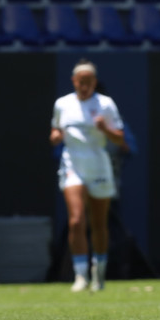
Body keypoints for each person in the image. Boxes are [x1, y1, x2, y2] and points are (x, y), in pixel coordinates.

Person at [50, 59, 125, 292]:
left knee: (99, 223)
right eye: (81, 81)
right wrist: (55, 136)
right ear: (74, 81)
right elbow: (56, 129)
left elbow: (120, 139)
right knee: (76, 220)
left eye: (89, 81)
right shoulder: (62, 104)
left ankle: (98, 272)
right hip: (73, 164)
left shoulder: (105, 104)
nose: (85, 86)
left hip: (98, 166)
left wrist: (105, 129)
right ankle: (80, 275)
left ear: (94, 82)